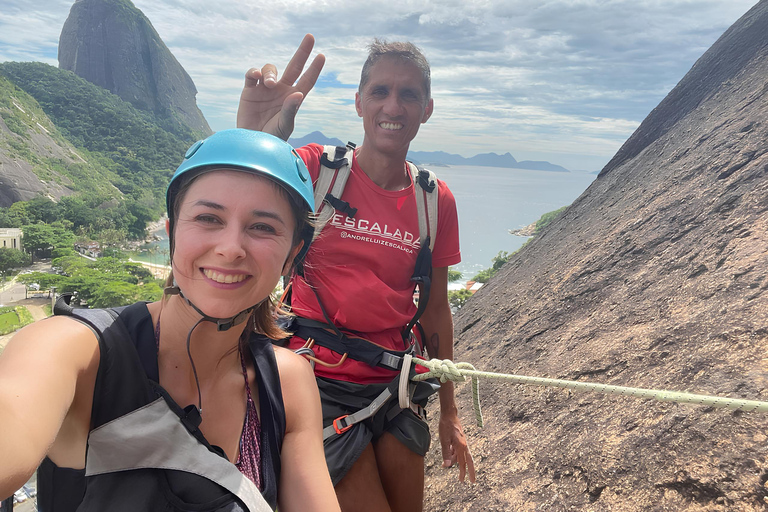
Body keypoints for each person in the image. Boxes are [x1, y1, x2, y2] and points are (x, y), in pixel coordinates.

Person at [0, 129, 340, 512]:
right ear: (171, 232)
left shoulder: (286, 383)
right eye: (209, 218)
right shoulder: (77, 350)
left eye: (262, 227)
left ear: (292, 255)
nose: (230, 249)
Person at [237, 35, 476, 511]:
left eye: (409, 94)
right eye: (380, 91)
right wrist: (256, 140)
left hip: (392, 386)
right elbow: (240, 205)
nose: (394, 105)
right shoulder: (314, 171)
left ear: (426, 109)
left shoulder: (434, 201)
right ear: (359, 102)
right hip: (312, 380)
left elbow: (435, 311)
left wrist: (451, 413)